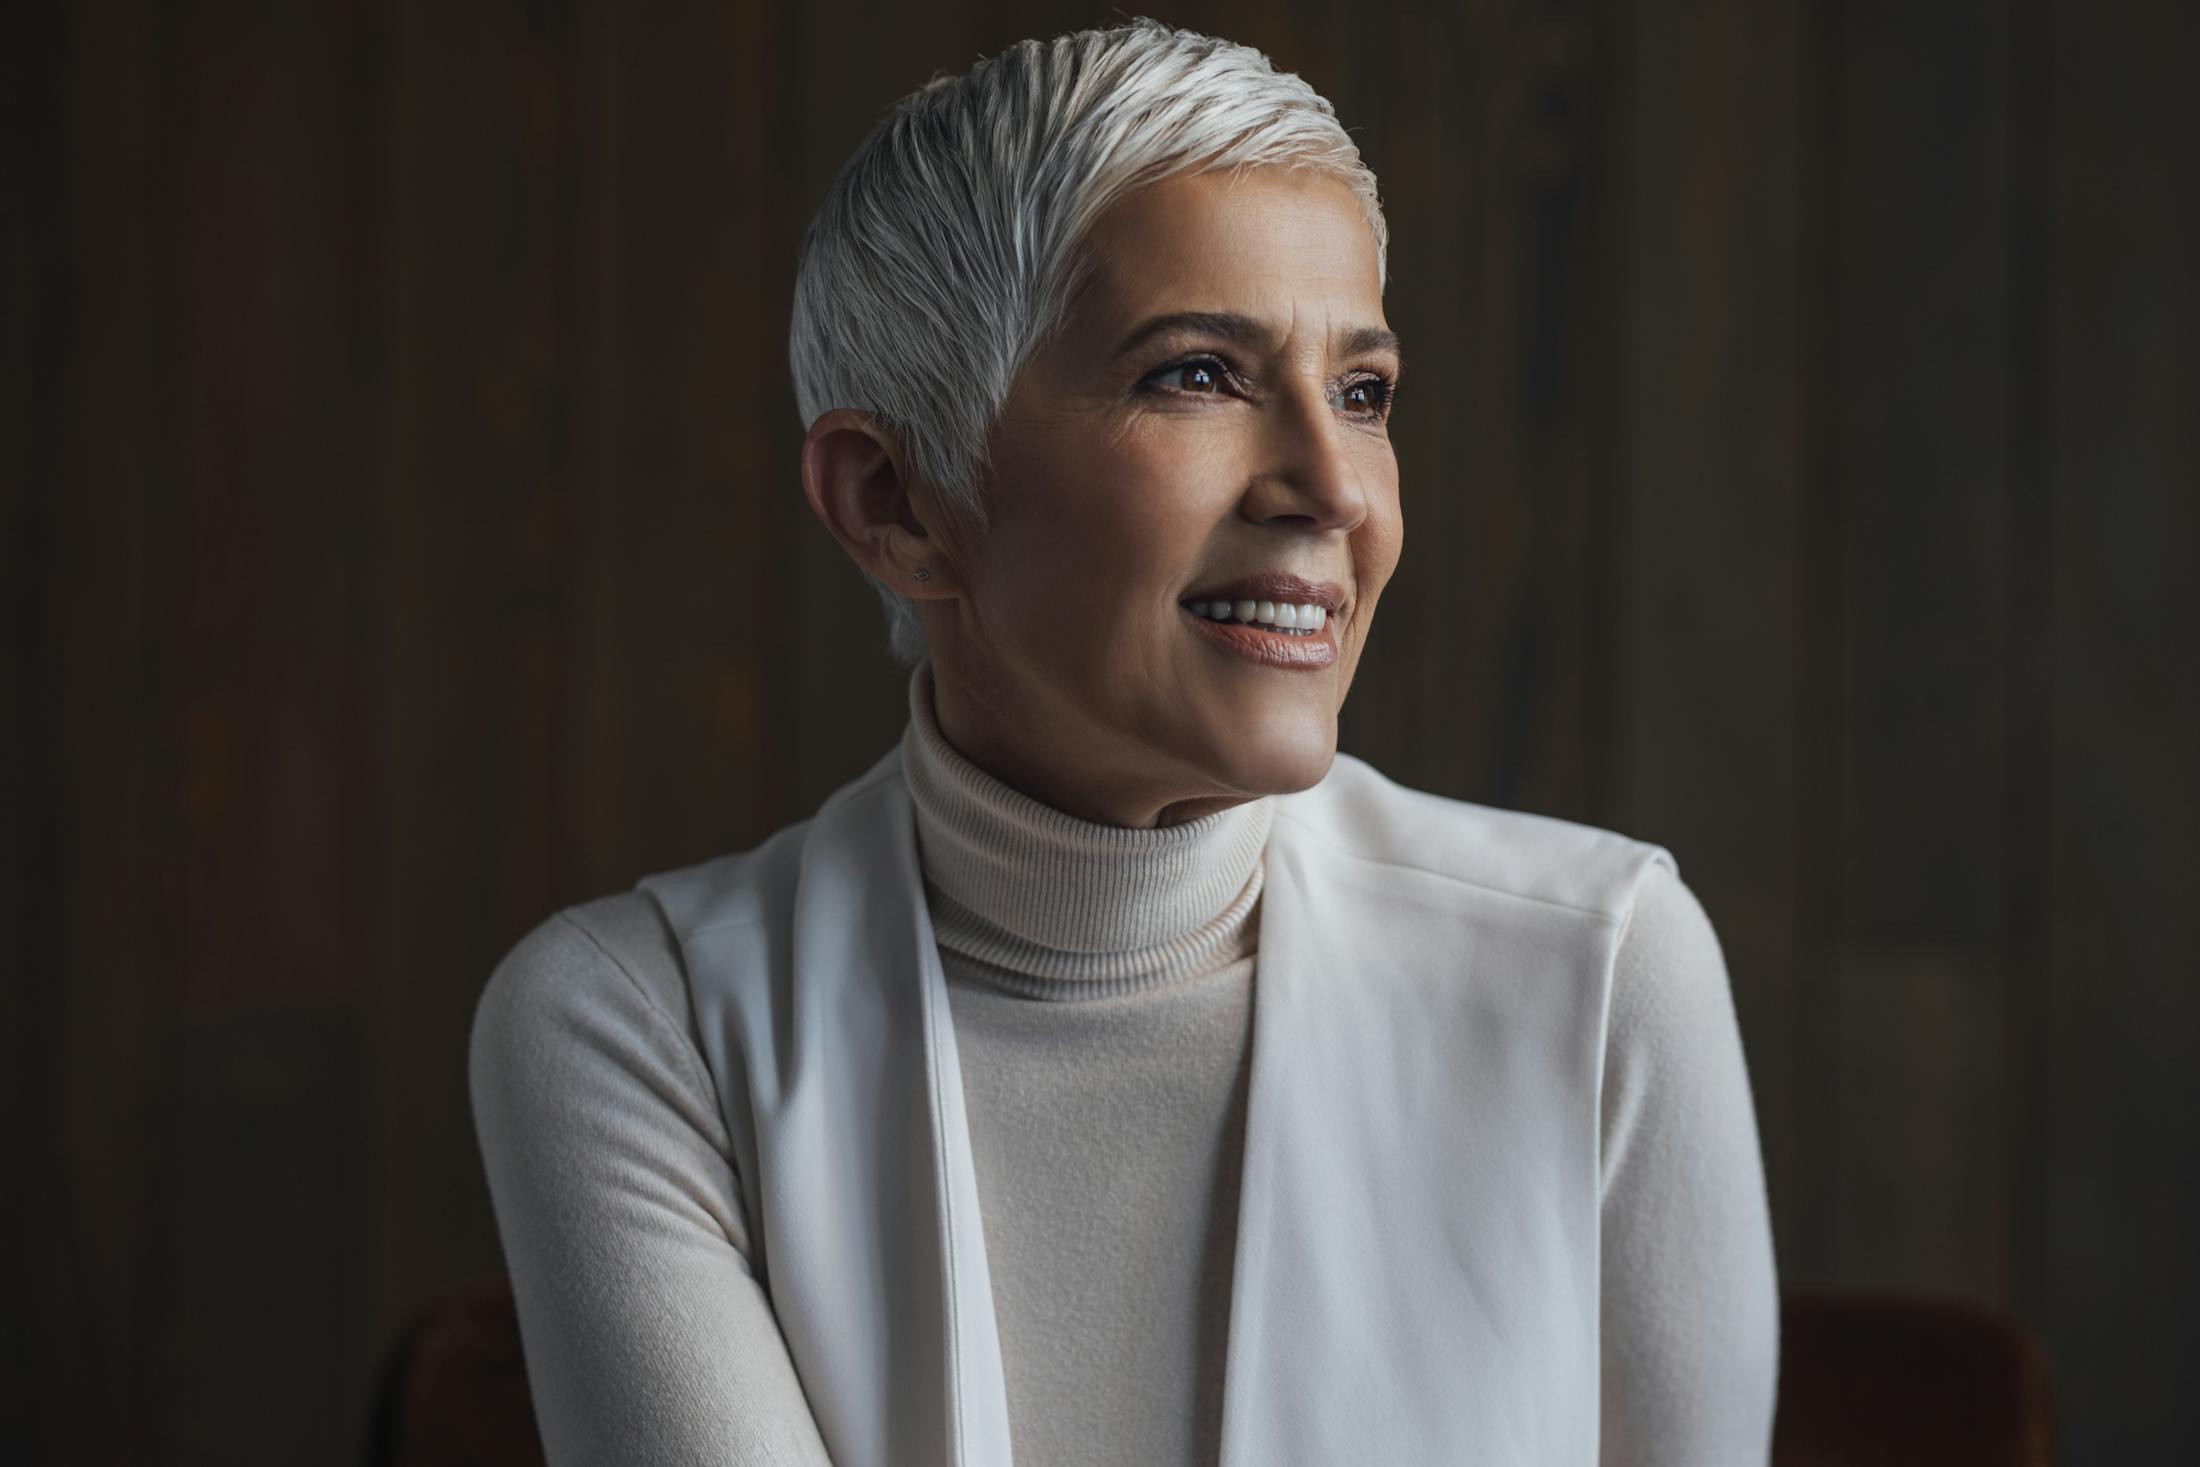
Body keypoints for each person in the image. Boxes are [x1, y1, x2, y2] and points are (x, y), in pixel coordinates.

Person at [469, 18, 1779, 1467]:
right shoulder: (637, 1030)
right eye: (1199, 376)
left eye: (1364, 393)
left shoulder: (1601, 971)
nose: (1335, 489)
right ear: (896, 501)